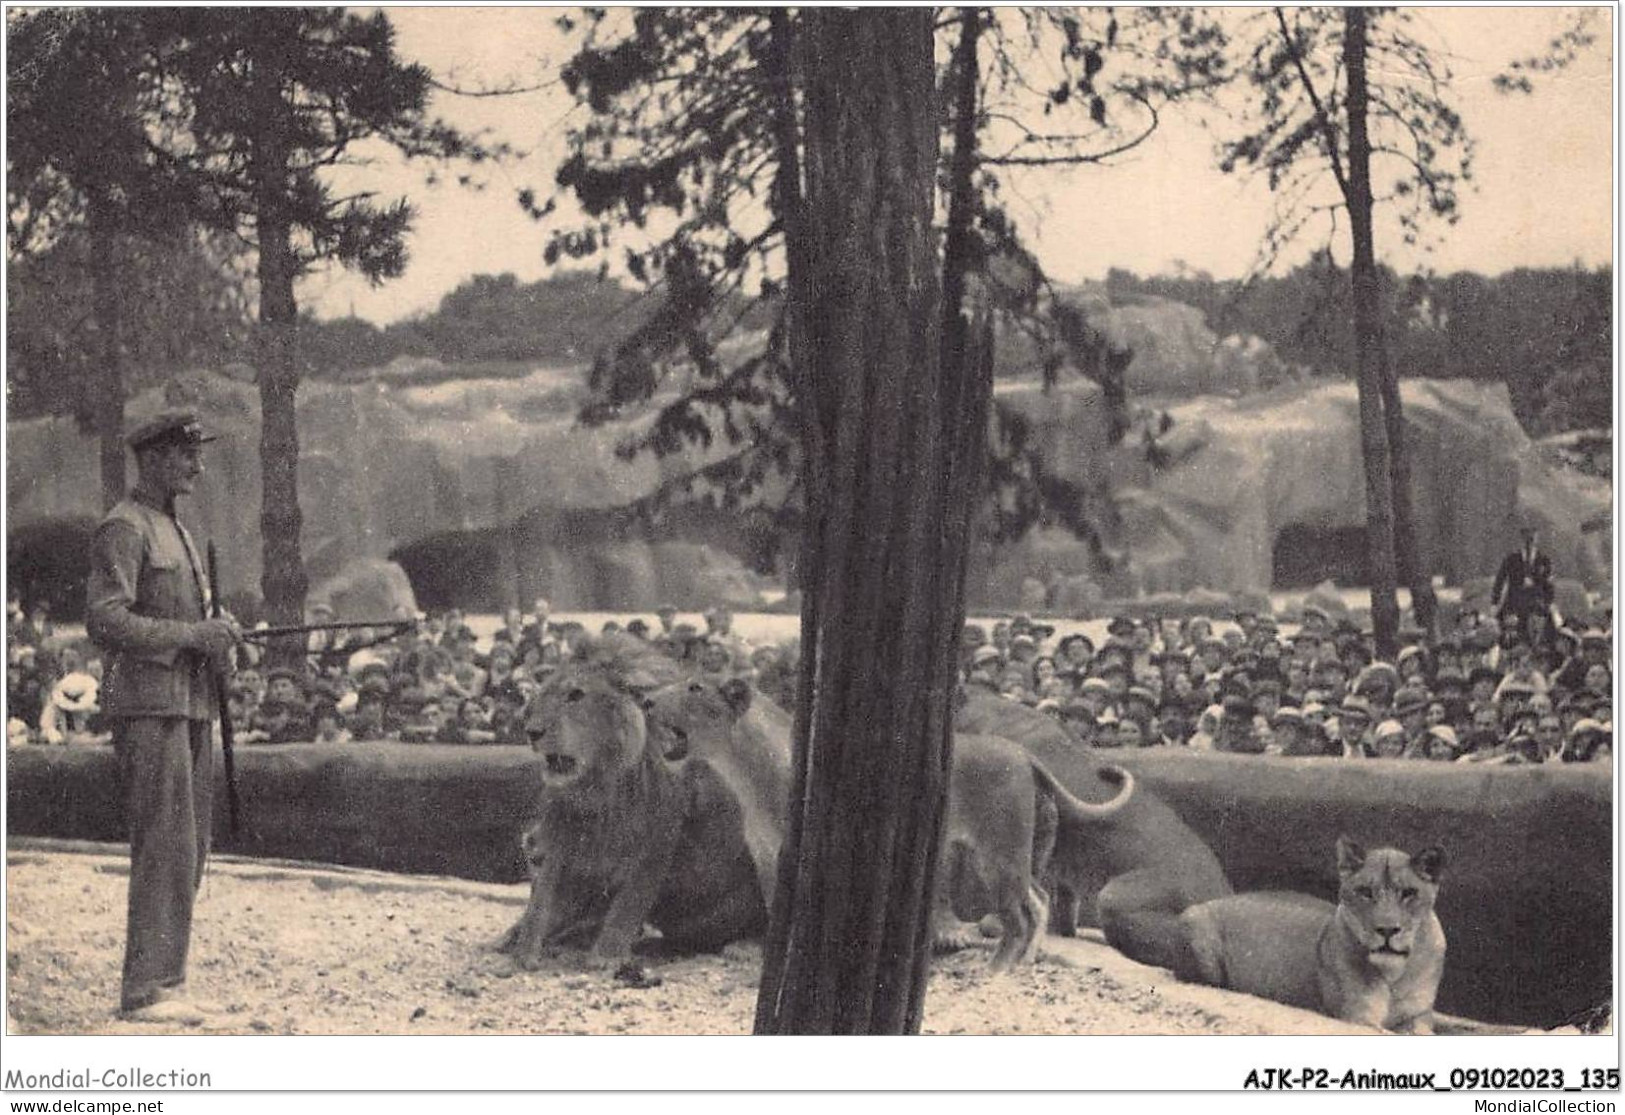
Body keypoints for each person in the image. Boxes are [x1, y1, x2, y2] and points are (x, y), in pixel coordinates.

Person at [85, 411, 241, 1025]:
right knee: (165, 843)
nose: (197, 466)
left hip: (190, 702)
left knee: (191, 843)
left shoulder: (173, 526)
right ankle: (146, 988)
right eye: (186, 456)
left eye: (198, 455)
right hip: (149, 705)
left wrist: (218, 637)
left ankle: (167, 980)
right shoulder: (125, 528)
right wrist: (191, 635)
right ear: (151, 458)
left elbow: (190, 621)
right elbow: (105, 618)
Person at [1491, 526, 1553, 644]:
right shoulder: (1511, 558)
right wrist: (1495, 602)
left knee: (1546, 627)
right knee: (1504, 627)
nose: (1529, 539)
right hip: (1514, 602)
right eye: (1526, 534)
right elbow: (1500, 580)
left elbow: (1548, 584)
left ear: (1537, 538)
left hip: (1536, 603)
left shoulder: (1544, 559)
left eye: (1533, 535)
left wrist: (1548, 602)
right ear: (1521, 538)